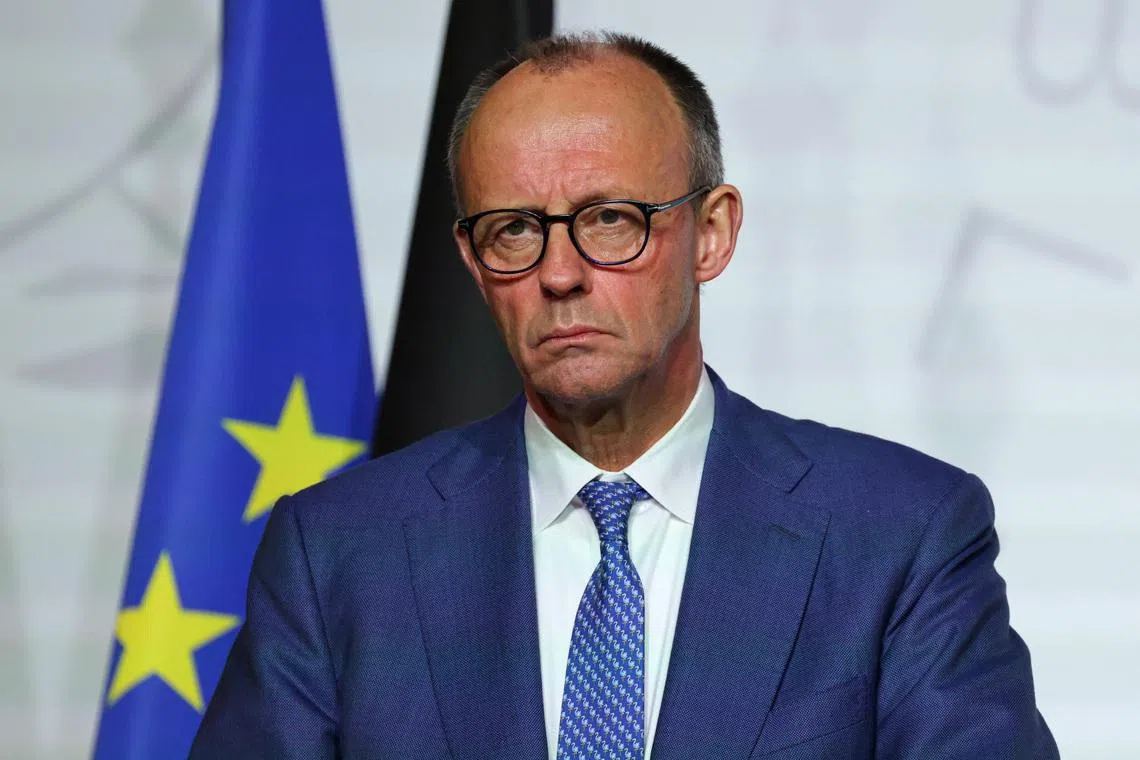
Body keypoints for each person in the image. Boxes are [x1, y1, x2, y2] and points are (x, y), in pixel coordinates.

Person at [191, 31, 1059, 759]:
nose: (560, 273)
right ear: (474, 265)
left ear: (712, 234)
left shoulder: (899, 535)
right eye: (514, 230)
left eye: (609, 219)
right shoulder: (338, 555)